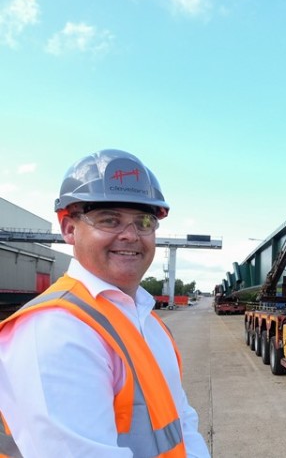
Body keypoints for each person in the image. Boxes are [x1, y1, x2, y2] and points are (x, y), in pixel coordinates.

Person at [0, 150, 210, 457]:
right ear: (69, 229)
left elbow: (182, 424)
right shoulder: (55, 330)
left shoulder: (147, 322)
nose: (130, 235)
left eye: (143, 222)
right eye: (110, 220)